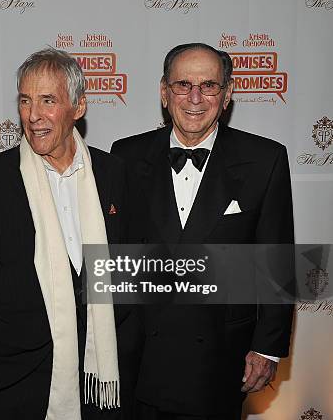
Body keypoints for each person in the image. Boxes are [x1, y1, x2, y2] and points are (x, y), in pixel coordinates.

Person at [0, 47, 141, 419]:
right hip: (18, 382)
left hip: (100, 378)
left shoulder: (114, 174)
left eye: (48, 101)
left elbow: (129, 271)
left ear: (78, 106)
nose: (33, 115)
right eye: (25, 101)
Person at [111, 42, 294, 419]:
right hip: (142, 357)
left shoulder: (265, 158)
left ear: (226, 95)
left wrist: (267, 347)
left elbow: (277, 259)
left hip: (220, 357)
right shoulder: (125, 156)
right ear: (164, 92)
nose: (195, 98)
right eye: (182, 85)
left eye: (209, 86)